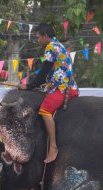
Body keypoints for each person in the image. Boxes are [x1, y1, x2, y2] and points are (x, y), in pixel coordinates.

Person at [21, 24, 79, 163]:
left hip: (63, 88)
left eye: (38, 37)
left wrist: (29, 86)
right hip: (67, 86)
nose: (37, 41)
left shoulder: (51, 47)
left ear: (45, 36)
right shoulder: (59, 46)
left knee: (45, 111)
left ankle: (53, 146)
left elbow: (44, 71)